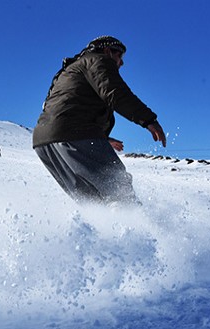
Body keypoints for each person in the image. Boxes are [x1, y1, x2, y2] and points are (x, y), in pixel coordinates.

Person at [32, 36, 166, 204]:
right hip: (73, 133)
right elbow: (115, 93)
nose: (121, 63)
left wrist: (103, 138)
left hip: (44, 142)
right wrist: (148, 120)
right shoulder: (97, 60)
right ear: (108, 50)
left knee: (93, 202)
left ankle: (103, 230)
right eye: (120, 56)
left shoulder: (71, 70)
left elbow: (68, 107)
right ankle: (141, 227)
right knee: (118, 189)